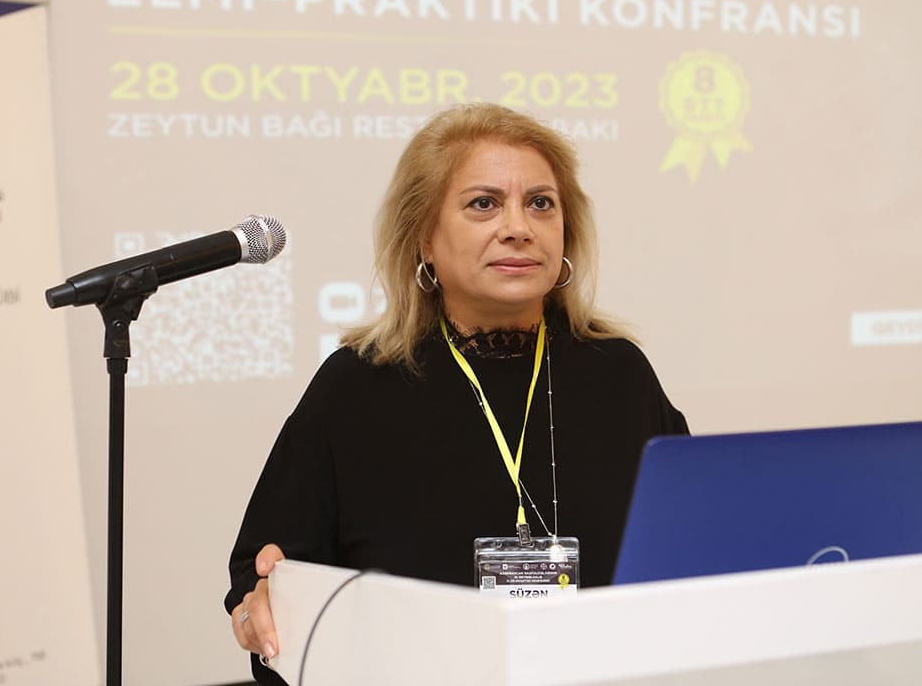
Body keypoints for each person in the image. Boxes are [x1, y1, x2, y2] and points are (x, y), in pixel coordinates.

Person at [225, 103, 688, 683]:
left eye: (541, 203)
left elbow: (689, 548)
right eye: (483, 204)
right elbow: (264, 575)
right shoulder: (356, 385)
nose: (519, 226)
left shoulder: (620, 374)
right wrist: (263, 603)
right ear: (424, 237)